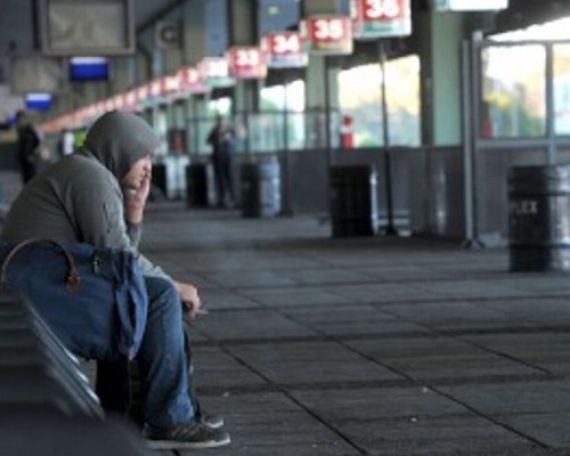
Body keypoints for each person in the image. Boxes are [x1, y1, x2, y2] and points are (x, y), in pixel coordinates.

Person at [0, 110, 230, 450]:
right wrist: (175, 284)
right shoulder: (91, 177)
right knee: (161, 296)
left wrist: (134, 210)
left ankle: (163, 409)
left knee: (145, 295)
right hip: (40, 291)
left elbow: (115, 266)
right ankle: (169, 418)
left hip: (41, 283)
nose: (149, 165)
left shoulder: (85, 169)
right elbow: (119, 259)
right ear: (120, 147)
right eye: (144, 155)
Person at [206, 115, 235, 208]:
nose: (221, 124)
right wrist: (217, 139)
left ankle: (231, 198)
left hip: (226, 157)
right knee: (220, 179)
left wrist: (227, 138)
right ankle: (221, 199)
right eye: (219, 122)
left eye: (222, 122)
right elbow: (208, 141)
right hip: (218, 158)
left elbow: (238, 137)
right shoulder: (214, 131)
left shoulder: (229, 131)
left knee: (228, 178)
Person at [14, 110, 40, 184]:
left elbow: (33, 142)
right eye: (18, 120)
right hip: (24, 157)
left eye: (20, 119)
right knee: (26, 177)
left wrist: (29, 153)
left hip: (28, 156)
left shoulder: (28, 130)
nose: (19, 122)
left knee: (30, 176)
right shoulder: (21, 130)